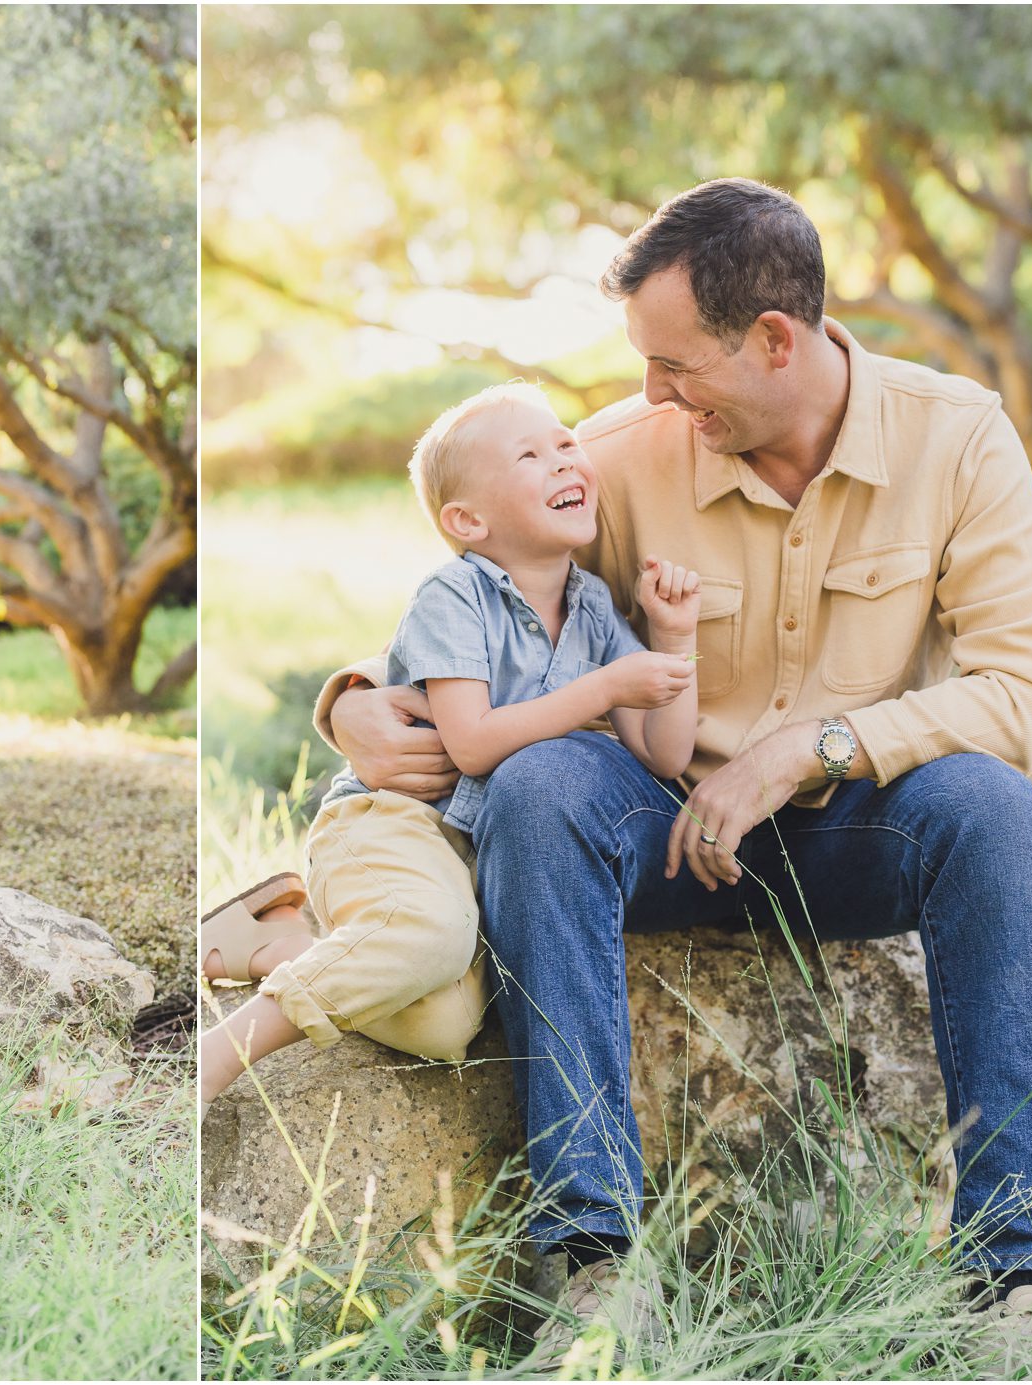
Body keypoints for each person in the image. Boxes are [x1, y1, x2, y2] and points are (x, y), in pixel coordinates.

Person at [304, 179, 1032, 1374]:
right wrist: (356, 696)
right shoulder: (621, 457)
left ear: (775, 339)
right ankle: (593, 1262)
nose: (650, 394)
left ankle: (1019, 1273)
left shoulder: (956, 435)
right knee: (541, 784)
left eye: (674, 365)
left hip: (852, 831)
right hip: (654, 827)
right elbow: (472, 602)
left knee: (989, 803)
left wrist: (812, 748)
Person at [198, 384, 702, 1112]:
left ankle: (283, 945)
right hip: (390, 825)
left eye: (566, 443)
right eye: (530, 455)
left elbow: (664, 754)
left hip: (466, 854)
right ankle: (222, 1054)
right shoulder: (454, 595)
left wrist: (675, 635)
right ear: (468, 519)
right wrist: (605, 688)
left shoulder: (592, 606)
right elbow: (471, 744)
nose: (564, 460)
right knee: (431, 937)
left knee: (446, 1024)